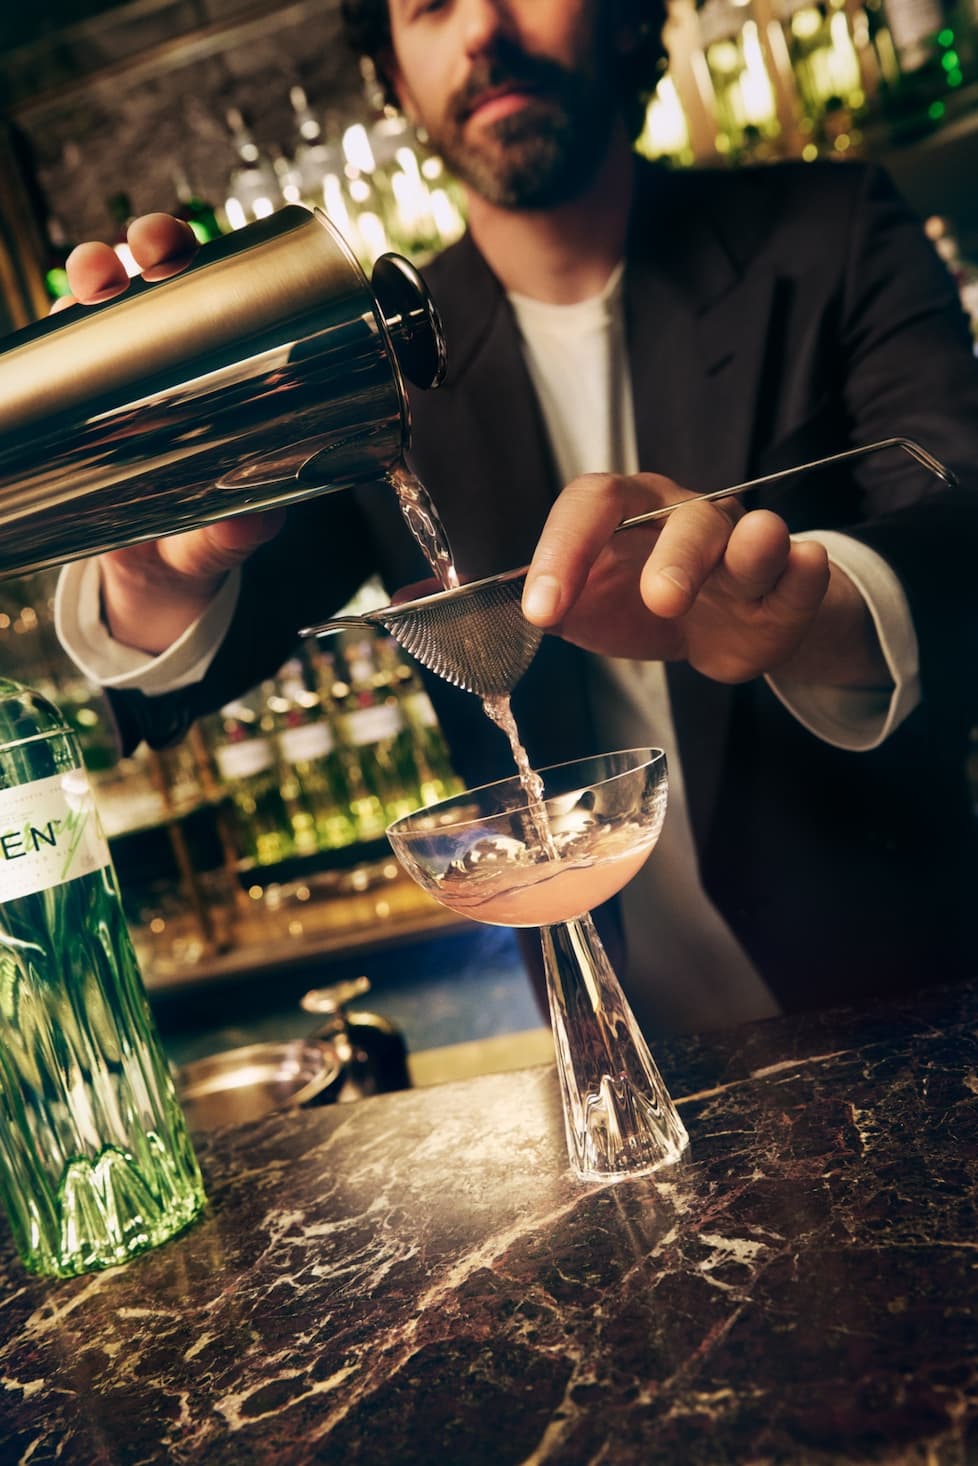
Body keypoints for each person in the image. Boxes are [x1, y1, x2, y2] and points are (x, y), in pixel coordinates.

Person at [54, 0, 978, 1037]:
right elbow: (200, 637)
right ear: (394, 77)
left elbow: (959, 517)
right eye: (430, 6)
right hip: (621, 1053)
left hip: (919, 1017)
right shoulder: (372, 371)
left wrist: (807, 618)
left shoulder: (835, 228)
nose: (482, 30)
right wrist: (145, 572)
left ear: (629, 18)